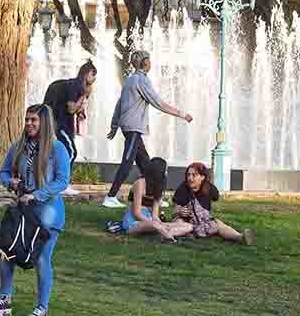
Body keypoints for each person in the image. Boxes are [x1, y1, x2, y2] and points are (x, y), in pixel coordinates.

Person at [0, 103, 71, 316]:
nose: (29, 124)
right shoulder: (19, 147)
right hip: (23, 210)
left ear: (44, 122)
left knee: (42, 258)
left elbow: (62, 181)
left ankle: (42, 309)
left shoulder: (57, 148)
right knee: (6, 250)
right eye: (27, 120)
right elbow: (4, 172)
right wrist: (10, 182)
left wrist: (38, 194)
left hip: (49, 212)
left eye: (34, 120)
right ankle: (4, 298)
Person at [103, 50, 193, 208]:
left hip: (129, 127)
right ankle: (110, 197)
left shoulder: (130, 80)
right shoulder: (141, 81)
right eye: (149, 60)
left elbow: (119, 104)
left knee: (146, 165)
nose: (150, 63)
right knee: (127, 162)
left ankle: (153, 198)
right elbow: (158, 103)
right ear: (144, 63)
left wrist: (114, 125)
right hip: (133, 128)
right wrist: (182, 114)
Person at [168, 162, 254, 244]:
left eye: (194, 175)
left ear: (202, 177)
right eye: (188, 175)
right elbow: (174, 213)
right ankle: (184, 234)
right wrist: (180, 212)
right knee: (179, 222)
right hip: (186, 221)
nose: (190, 178)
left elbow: (215, 199)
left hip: (203, 221)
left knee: (218, 224)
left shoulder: (209, 188)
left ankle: (240, 237)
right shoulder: (182, 189)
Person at [104, 157, 176, 241]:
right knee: (155, 226)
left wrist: (158, 222)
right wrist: (154, 223)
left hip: (147, 217)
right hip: (133, 219)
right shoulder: (140, 183)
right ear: (158, 170)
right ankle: (169, 237)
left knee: (163, 225)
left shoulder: (159, 187)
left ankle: (166, 232)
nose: (166, 173)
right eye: (165, 170)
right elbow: (136, 213)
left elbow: (154, 215)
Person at [42, 61, 97, 169]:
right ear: (86, 73)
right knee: (71, 153)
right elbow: (71, 109)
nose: (94, 78)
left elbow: (75, 109)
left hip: (63, 124)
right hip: (59, 125)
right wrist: (84, 96)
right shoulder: (74, 85)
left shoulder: (77, 87)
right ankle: (63, 181)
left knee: (61, 153)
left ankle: (58, 180)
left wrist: (81, 111)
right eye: (93, 74)